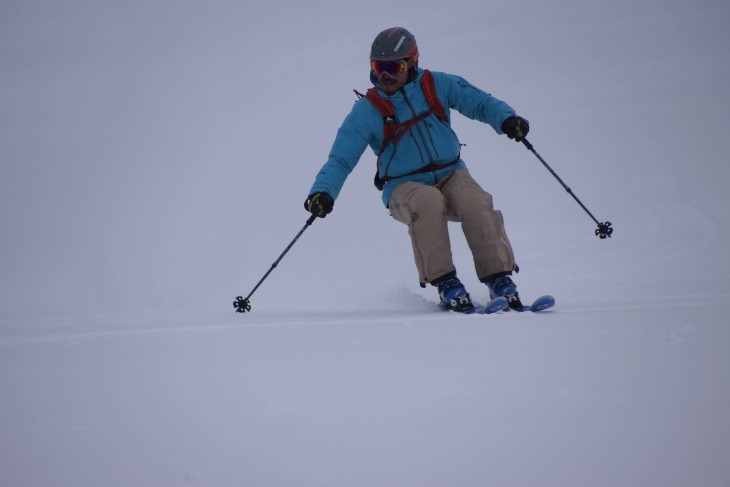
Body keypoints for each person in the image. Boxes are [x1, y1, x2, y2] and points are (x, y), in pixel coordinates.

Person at [304, 27, 530, 313]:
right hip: (402, 185)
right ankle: (446, 283)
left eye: (393, 67)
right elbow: (341, 159)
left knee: (476, 201)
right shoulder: (368, 110)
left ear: (412, 63)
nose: (385, 76)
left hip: (451, 173)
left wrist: (506, 119)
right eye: (378, 67)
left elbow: (481, 103)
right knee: (428, 201)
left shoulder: (438, 85)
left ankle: (500, 279)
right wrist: (322, 192)